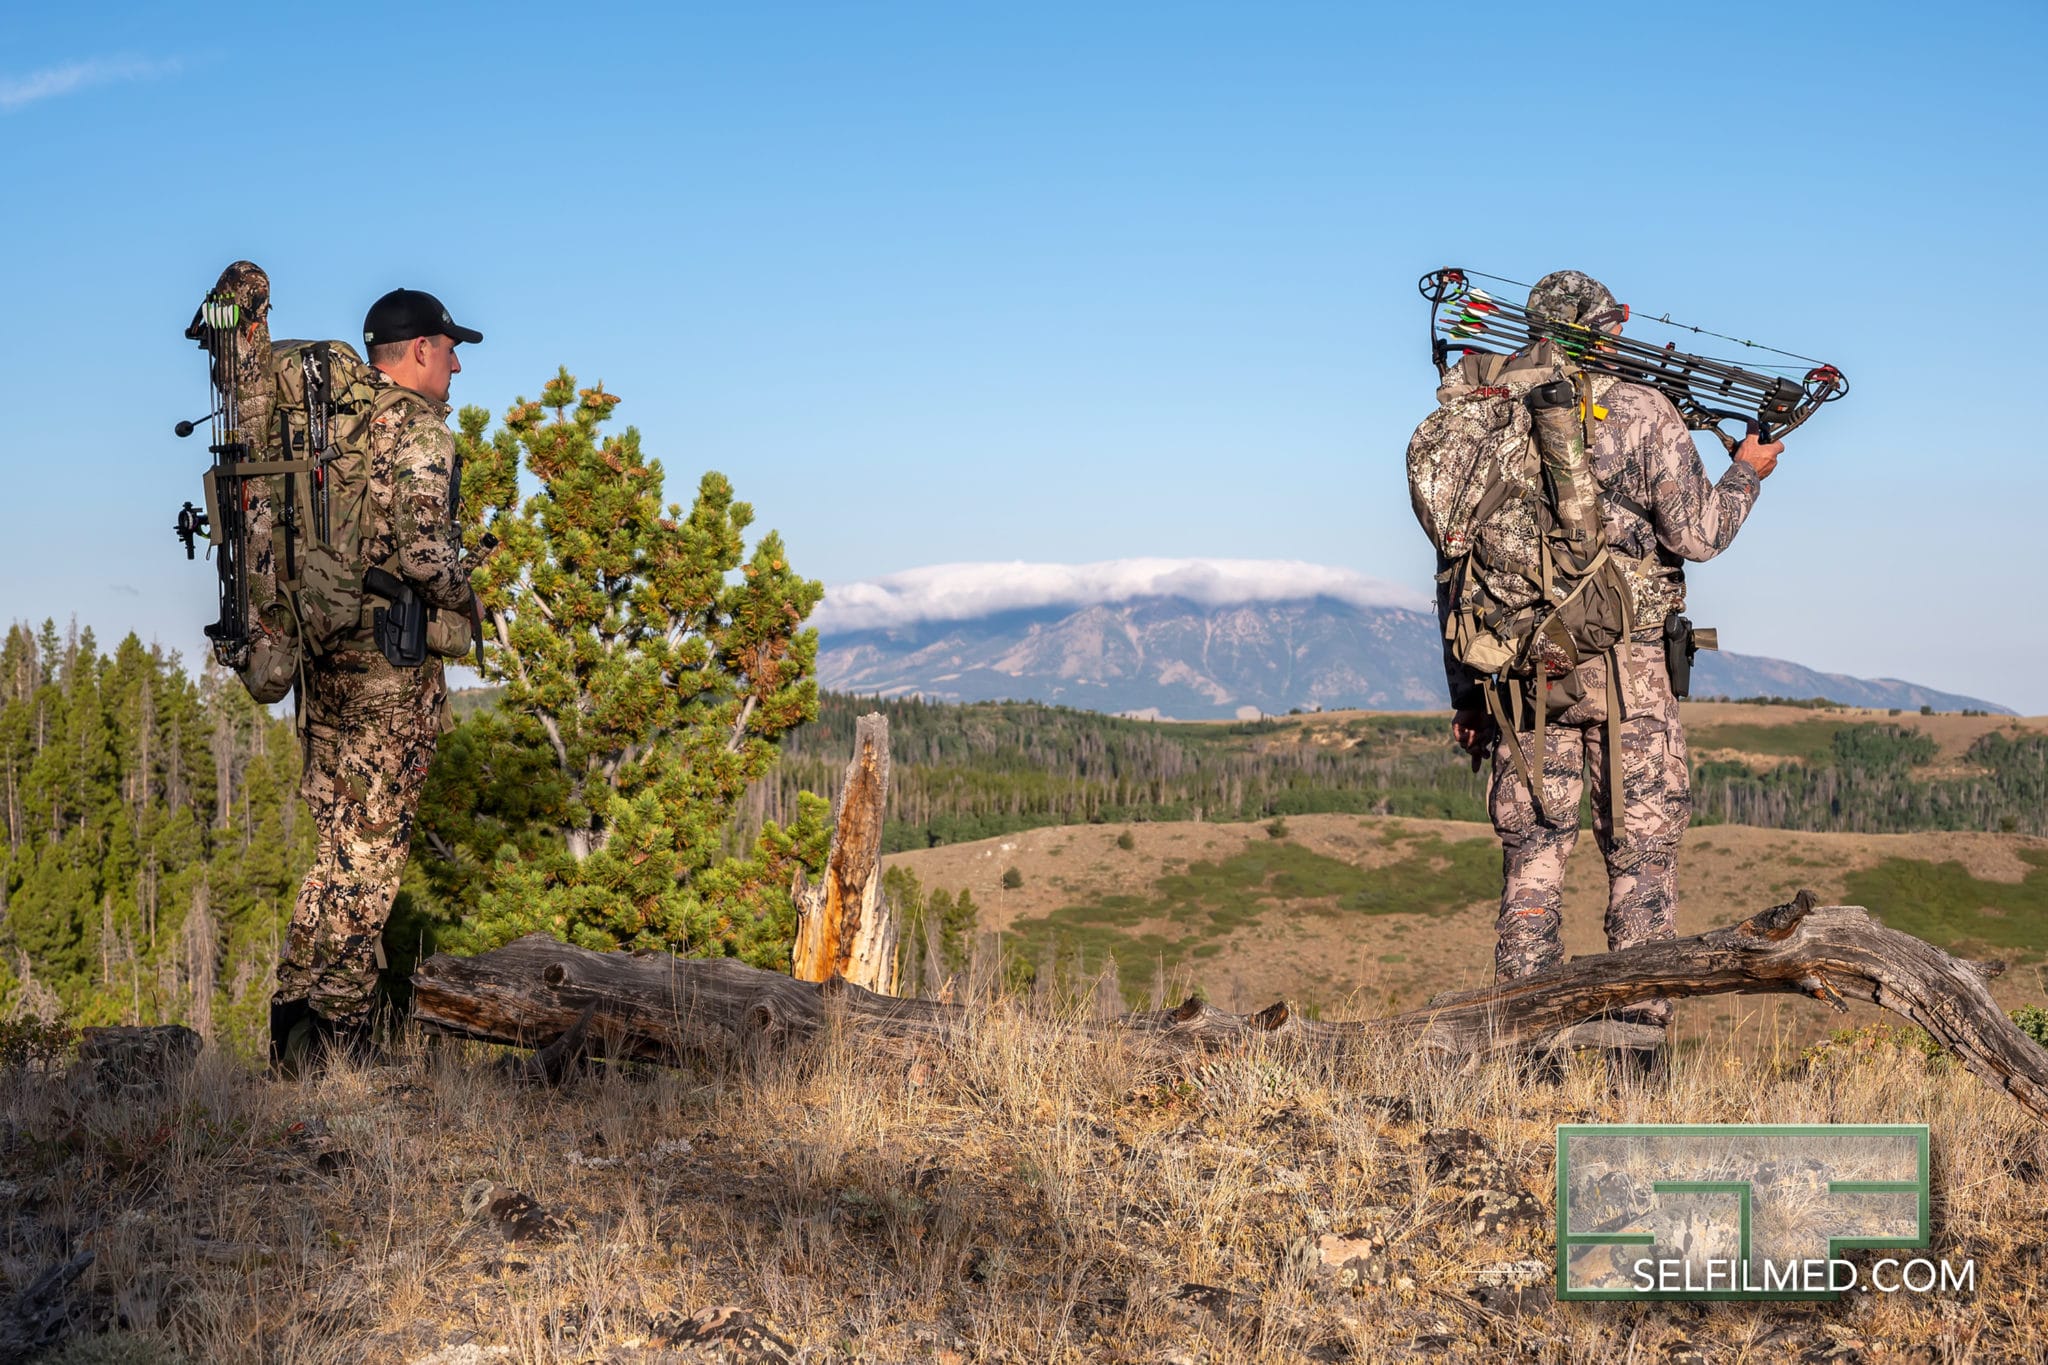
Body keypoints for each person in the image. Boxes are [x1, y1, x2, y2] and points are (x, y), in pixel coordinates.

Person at [1441, 269, 1782, 1055]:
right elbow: (1697, 533)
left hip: (1525, 673)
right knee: (1642, 863)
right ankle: (1634, 1056)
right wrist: (1746, 473)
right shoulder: (1643, 411)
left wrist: (1467, 693)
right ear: (1608, 328)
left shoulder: (1487, 415)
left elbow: (1456, 567)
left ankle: (1520, 1049)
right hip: (1630, 671)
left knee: (1533, 862)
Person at [269, 287, 484, 1071]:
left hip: (325, 666)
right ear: (419, 349)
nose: (458, 363)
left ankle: (292, 1027)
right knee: (369, 860)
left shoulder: (330, 431)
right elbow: (427, 557)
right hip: (388, 677)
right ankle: (343, 1044)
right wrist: (471, 596)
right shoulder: (417, 429)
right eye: (449, 346)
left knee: (334, 852)